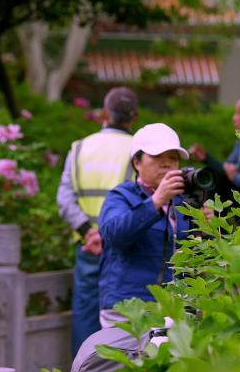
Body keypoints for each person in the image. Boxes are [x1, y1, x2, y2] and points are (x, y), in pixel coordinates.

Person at [57, 87, 139, 357]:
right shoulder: (139, 151)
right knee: (126, 320)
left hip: (88, 248)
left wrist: (88, 232)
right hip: (126, 248)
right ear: (135, 116)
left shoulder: (80, 148)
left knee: (86, 316)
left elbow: (64, 199)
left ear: (104, 113)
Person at [97, 123, 195, 327]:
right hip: (128, 309)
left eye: (173, 158)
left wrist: (208, 227)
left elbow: (197, 255)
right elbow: (115, 236)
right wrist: (155, 201)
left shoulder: (184, 203)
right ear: (137, 162)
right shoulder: (121, 196)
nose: (167, 164)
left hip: (173, 307)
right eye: (158, 157)